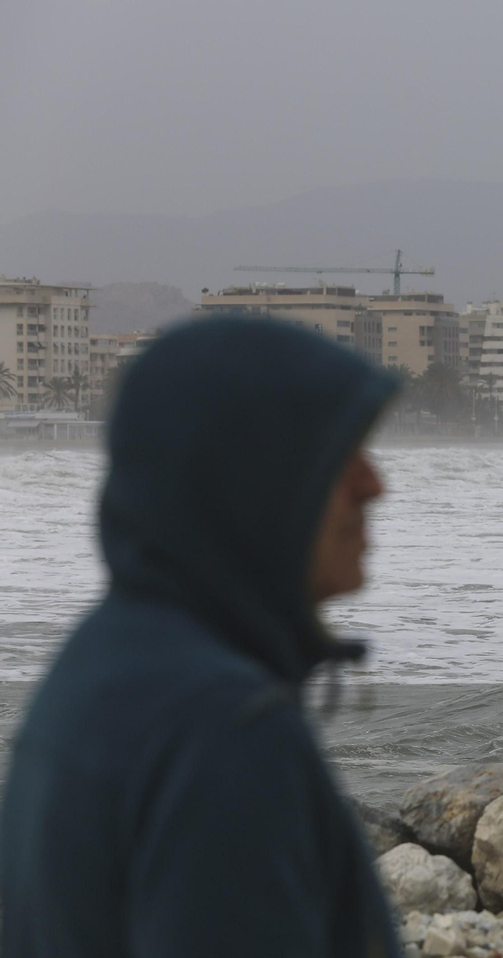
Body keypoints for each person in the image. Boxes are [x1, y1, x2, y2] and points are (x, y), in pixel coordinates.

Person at [1, 317, 403, 957]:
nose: (374, 484)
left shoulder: (102, 664)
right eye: (334, 454)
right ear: (246, 478)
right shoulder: (222, 733)